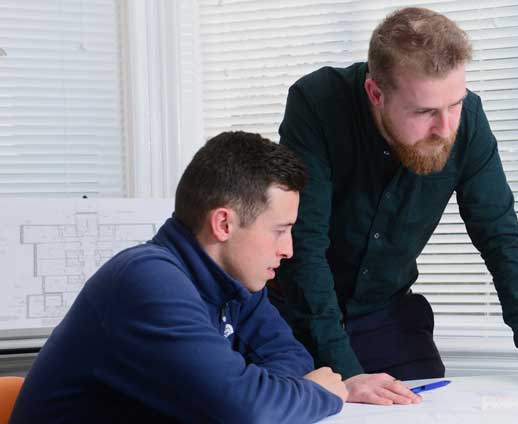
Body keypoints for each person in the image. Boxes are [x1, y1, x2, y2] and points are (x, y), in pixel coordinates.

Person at [269, 7, 518, 406]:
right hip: (294, 313)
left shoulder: (467, 122)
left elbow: (500, 238)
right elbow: (305, 245)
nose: (446, 128)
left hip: (386, 315)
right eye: (425, 112)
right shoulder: (317, 103)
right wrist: (347, 373)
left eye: (455, 105)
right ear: (376, 94)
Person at [11, 132, 347, 423]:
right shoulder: (147, 281)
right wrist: (315, 392)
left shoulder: (236, 281)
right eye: (280, 230)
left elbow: (293, 360)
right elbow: (247, 411)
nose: (288, 250)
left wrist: (256, 391)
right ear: (224, 224)